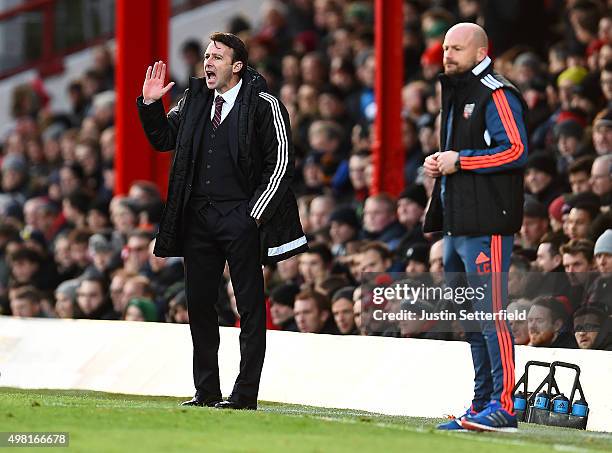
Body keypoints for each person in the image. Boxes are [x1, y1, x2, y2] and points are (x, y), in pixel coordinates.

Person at [137, 32, 307, 410]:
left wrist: (253, 216)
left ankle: (244, 394)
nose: (208, 62)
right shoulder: (194, 99)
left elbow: (281, 164)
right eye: (206, 56)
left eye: (217, 57)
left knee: (249, 307)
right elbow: (165, 139)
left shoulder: (265, 104)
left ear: (237, 66)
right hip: (198, 219)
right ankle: (206, 391)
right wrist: (150, 103)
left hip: (242, 217)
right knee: (198, 304)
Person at [424, 23, 528, 432]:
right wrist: (441, 162)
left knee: (490, 315)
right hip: (457, 224)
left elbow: (516, 148)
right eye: (446, 48)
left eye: (457, 49)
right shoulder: (458, 91)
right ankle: (481, 403)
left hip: (487, 224)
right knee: (470, 318)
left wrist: (460, 160)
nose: (447, 55)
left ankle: (503, 405)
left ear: (482, 50)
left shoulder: (495, 92)